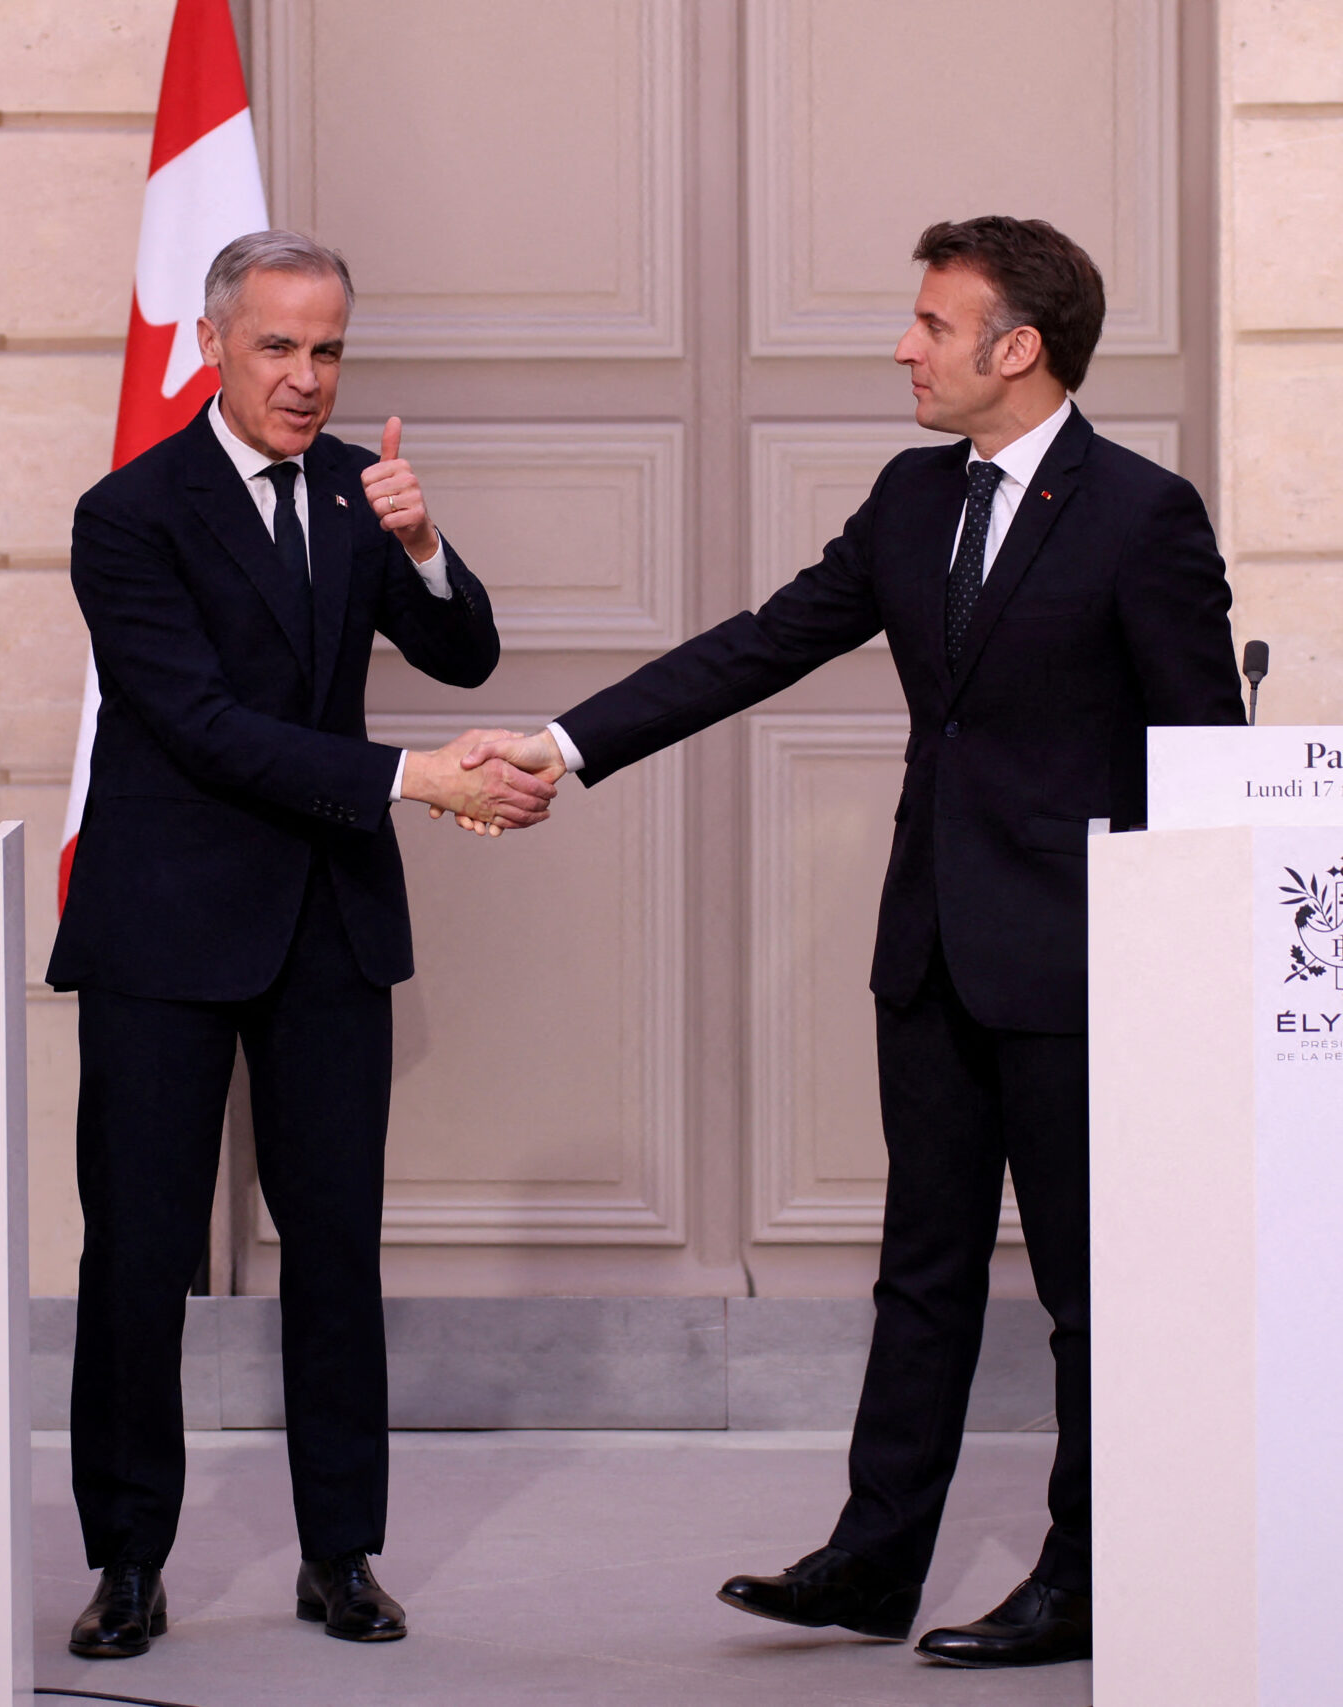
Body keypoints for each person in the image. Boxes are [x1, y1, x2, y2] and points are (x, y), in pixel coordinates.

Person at [460, 216, 1243, 1668]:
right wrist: (565, 747)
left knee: (1091, 1292)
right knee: (923, 1271)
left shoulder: (1144, 514)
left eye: (933, 325)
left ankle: (1088, 1576)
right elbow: (759, 644)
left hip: (1084, 969)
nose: (904, 347)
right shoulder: (907, 498)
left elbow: (1209, 754)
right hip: (931, 951)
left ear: (1018, 347)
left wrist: (1183, 972)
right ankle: (875, 1563)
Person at [45, 229, 558, 1660]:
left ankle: (341, 1553)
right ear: (212, 346)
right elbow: (199, 724)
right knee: (138, 1254)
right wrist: (413, 780)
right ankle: (129, 1563)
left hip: (325, 930)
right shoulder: (127, 515)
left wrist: (421, 543)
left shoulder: (353, 490)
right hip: (165, 929)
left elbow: (465, 656)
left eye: (328, 349)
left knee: (335, 1248)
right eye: (278, 347)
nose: (308, 378)